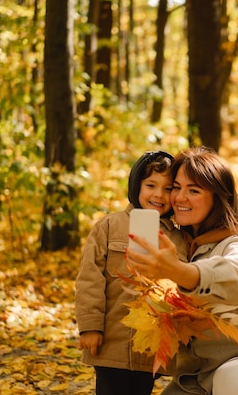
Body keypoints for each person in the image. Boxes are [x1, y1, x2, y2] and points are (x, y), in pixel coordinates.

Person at [126, 146, 238, 395]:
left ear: (217, 197)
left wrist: (181, 272)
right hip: (197, 378)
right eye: (176, 187)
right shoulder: (175, 245)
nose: (180, 197)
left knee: (232, 378)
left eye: (194, 190)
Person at [75, 151, 188, 395]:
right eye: (150, 185)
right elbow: (89, 279)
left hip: (149, 347)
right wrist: (90, 326)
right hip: (110, 343)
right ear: (136, 185)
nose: (159, 194)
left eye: (168, 189)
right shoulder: (109, 226)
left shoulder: (179, 237)